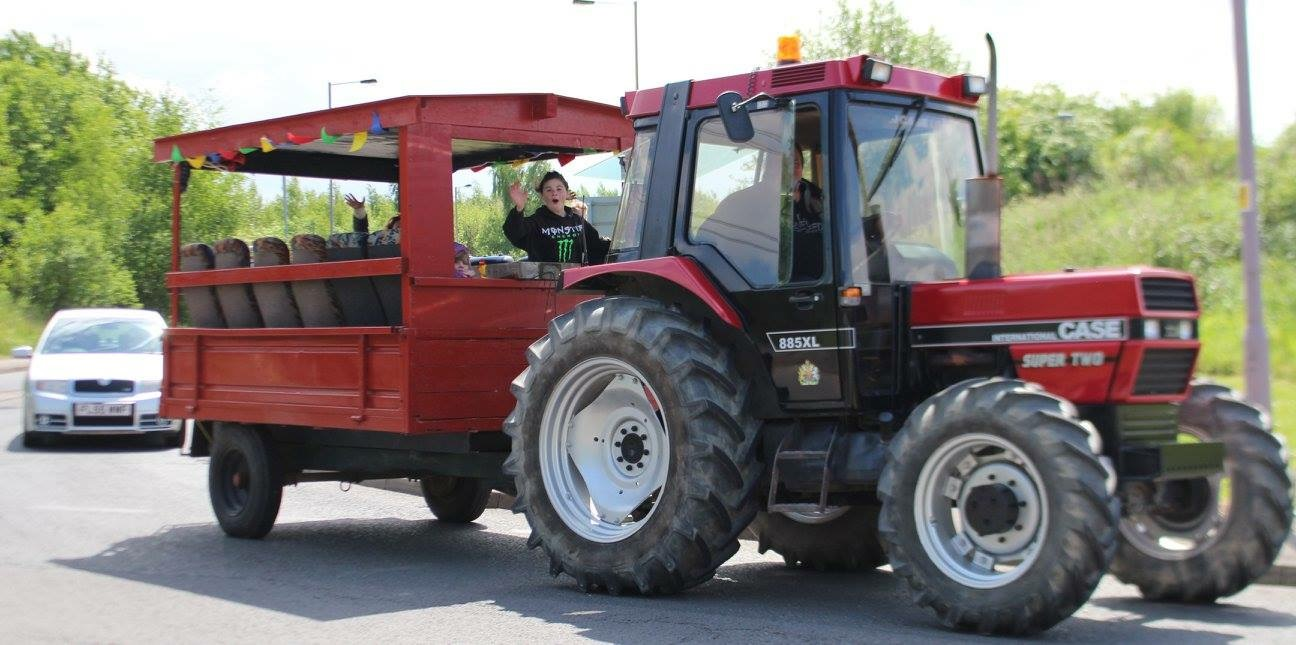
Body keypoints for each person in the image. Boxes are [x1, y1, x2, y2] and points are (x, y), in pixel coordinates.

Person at [502, 171, 609, 264]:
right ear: (542, 195)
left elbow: (597, 246)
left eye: (559, 189)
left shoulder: (577, 221)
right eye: (549, 190)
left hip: (574, 283)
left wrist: (619, 244)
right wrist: (519, 207)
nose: (554, 193)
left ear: (566, 193)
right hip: (543, 283)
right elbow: (514, 233)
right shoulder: (536, 222)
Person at [791, 146, 824, 281]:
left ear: (801, 168)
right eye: (781, 162)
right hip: (792, 283)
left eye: (795, 163)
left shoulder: (817, 195)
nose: (789, 169)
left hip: (827, 278)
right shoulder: (759, 202)